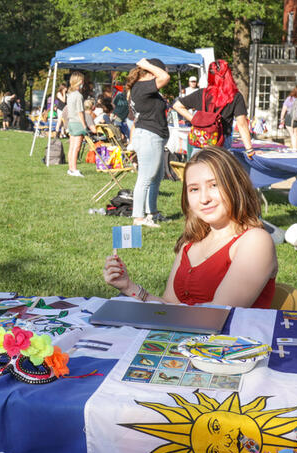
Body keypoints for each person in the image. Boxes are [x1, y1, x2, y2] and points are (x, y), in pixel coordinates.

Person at [103, 147, 277, 309]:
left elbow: (219, 315)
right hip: (186, 338)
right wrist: (128, 287)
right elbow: (169, 306)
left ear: (235, 185)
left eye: (214, 185)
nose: (204, 198)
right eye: (194, 189)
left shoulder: (255, 241)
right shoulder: (191, 242)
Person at [172, 60, 254, 155]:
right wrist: (249, 149)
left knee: (198, 168)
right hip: (221, 142)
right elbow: (242, 124)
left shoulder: (201, 93)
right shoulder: (235, 96)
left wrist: (195, 120)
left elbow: (177, 105)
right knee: (217, 170)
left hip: (201, 140)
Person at [126, 58, 171, 227]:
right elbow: (165, 77)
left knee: (156, 177)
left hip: (152, 136)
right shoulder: (142, 86)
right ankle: (138, 217)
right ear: (151, 72)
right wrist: (146, 65)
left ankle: (152, 212)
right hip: (148, 136)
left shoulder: (141, 88)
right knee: (145, 178)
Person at [65, 71, 97, 177]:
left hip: (71, 122)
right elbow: (80, 112)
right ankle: (74, 169)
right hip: (78, 122)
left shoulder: (70, 94)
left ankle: (70, 168)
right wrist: (84, 125)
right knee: (76, 147)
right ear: (80, 81)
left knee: (72, 146)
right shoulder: (78, 95)